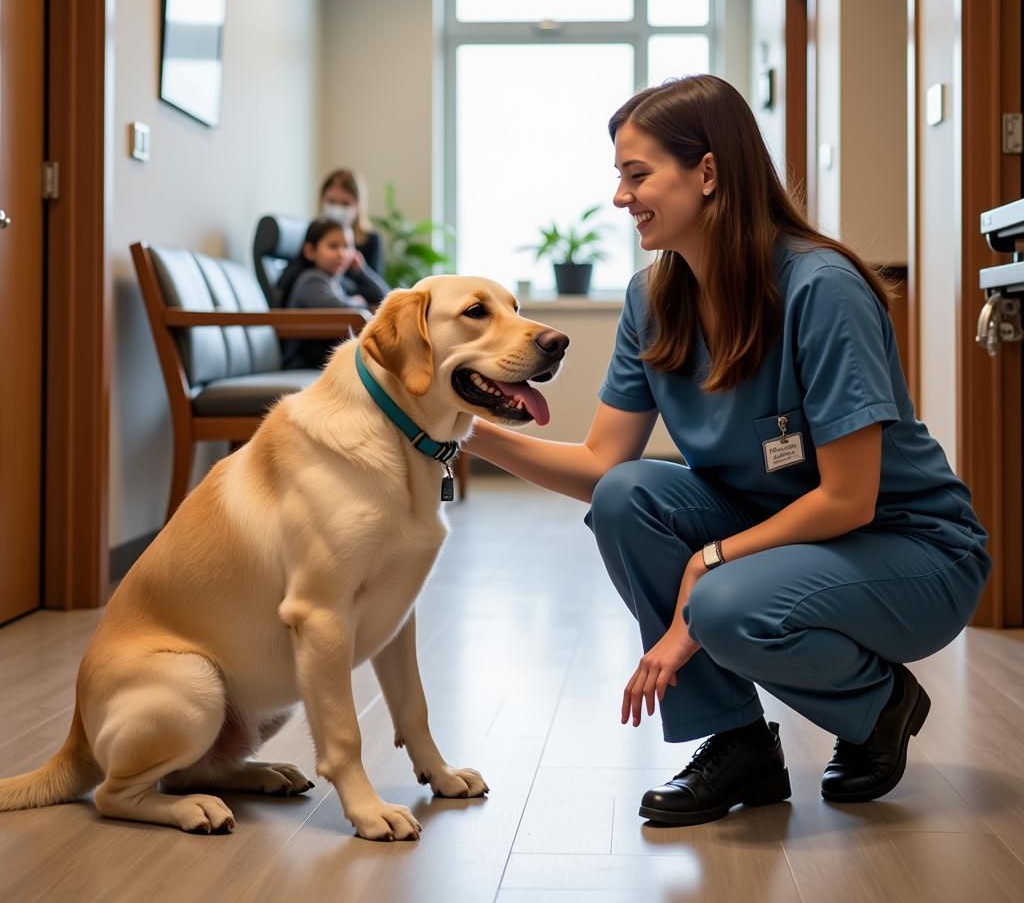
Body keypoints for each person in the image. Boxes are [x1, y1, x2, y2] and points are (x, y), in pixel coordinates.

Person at [466, 75, 991, 827]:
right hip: (779, 526)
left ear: (707, 173)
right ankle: (736, 742)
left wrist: (710, 560)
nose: (620, 198)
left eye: (636, 174)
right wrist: (464, 431)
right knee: (627, 498)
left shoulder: (820, 288)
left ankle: (879, 706)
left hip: (909, 549)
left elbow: (849, 498)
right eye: (620, 176)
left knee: (719, 604)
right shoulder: (653, 299)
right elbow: (600, 467)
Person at [277, 218, 389, 370]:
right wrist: (358, 302)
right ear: (310, 251)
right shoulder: (311, 280)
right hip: (303, 361)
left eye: (348, 246)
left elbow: (386, 299)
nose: (342, 253)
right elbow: (343, 310)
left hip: (323, 357)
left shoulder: (337, 281)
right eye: (333, 246)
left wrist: (361, 270)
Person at [319, 167, 385, 275]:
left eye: (345, 204)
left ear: (358, 204)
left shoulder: (370, 240)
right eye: (331, 201)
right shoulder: (314, 234)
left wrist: (361, 270)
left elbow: (380, 289)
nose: (337, 209)